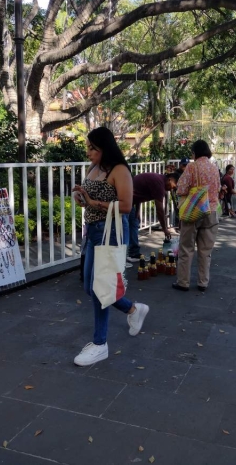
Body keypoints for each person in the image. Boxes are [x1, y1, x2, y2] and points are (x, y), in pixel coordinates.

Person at [71, 127, 149, 366]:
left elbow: (126, 206)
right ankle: (133, 310)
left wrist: (94, 201)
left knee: (99, 288)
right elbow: (91, 203)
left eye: (92, 147)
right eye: (88, 147)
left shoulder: (119, 170)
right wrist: (82, 198)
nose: (89, 152)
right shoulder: (93, 169)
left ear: (104, 148)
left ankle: (100, 343)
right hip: (94, 231)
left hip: (112, 231)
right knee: (89, 286)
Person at [172, 140, 220, 292]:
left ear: (195, 152)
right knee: (206, 250)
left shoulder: (192, 167)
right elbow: (217, 188)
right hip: (211, 211)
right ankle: (203, 282)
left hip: (193, 211)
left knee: (186, 248)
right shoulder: (214, 168)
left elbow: (181, 188)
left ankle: (183, 282)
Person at [127, 172, 178, 261]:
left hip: (130, 200)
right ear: (170, 179)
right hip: (125, 199)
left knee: (134, 224)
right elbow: (160, 210)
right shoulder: (159, 184)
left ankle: (133, 253)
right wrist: (165, 229)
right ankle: (127, 255)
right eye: (173, 186)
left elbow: (139, 191)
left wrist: (138, 210)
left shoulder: (159, 180)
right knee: (126, 227)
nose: (172, 189)